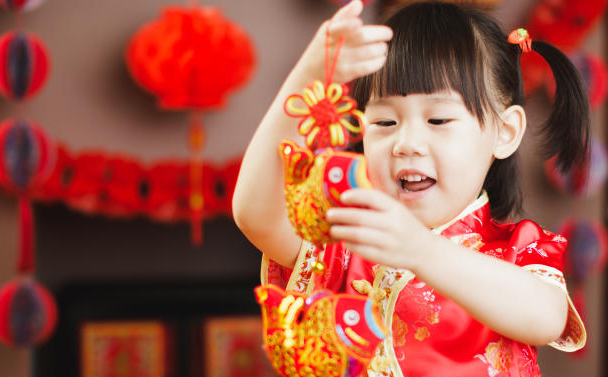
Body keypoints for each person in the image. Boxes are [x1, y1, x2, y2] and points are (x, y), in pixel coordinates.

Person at [233, 1, 588, 376]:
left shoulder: (518, 251)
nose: (407, 143)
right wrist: (310, 77)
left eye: (438, 119)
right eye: (385, 121)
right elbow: (255, 214)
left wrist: (422, 251)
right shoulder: (343, 241)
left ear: (506, 131)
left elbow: (546, 316)